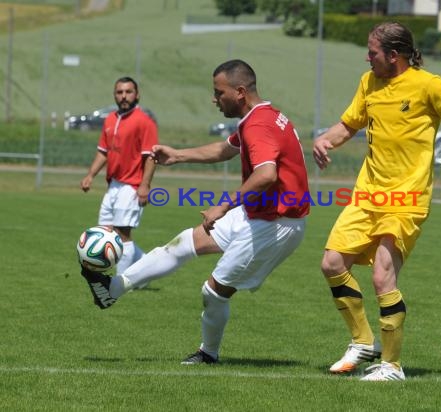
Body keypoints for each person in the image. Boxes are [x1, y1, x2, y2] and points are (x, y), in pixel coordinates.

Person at [79, 59, 310, 365]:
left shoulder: (259, 124)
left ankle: (208, 354)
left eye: (219, 92)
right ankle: (112, 290)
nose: (215, 99)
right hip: (258, 213)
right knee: (182, 244)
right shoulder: (260, 115)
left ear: (239, 91)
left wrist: (224, 205)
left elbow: (266, 174)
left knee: (214, 292)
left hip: (278, 224)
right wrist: (178, 154)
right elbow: (224, 150)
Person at [312, 22, 441, 382]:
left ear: (394, 55)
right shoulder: (369, 82)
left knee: (382, 275)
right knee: (331, 263)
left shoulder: (428, 85)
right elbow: (349, 124)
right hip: (367, 194)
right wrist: (325, 140)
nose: (367, 57)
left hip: (407, 198)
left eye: (373, 52)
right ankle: (363, 341)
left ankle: (391, 366)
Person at [80, 76, 158, 277]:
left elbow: (150, 157)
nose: (124, 96)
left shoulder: (144, 122)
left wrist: (144, 186)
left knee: (123, 235)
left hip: (131, 187)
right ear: (115, 95)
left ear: (137, 94)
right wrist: (90, 175)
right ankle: (148, 266)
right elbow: (103, 151)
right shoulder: (110, 119)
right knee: (106, 232)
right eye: (119, 92)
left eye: (128, 92)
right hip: (113, 185)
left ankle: (122, 282)